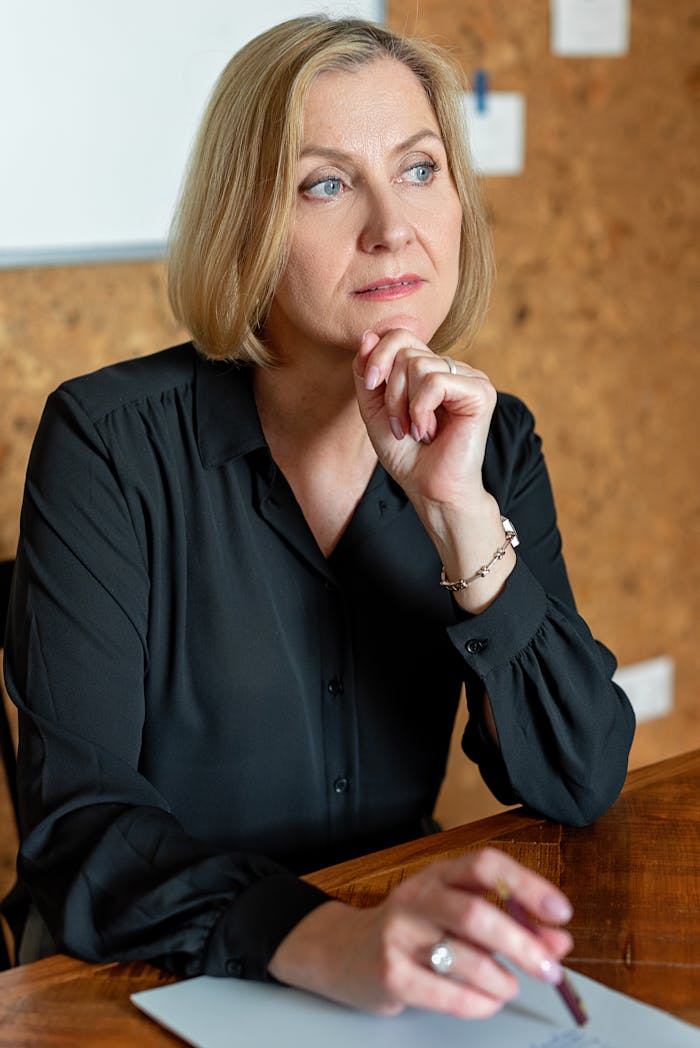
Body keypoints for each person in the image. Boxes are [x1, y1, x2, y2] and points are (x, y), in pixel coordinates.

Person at [2, 15, 634, 1021]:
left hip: (381, 954)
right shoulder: (110, 441)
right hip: (141, 969)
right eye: (326, 183)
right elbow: (81, 831)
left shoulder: (488, 441)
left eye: (420, 168)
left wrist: (463, 518)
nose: (394, 227)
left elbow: (580, 775)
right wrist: (327, 935)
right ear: (245, 220)